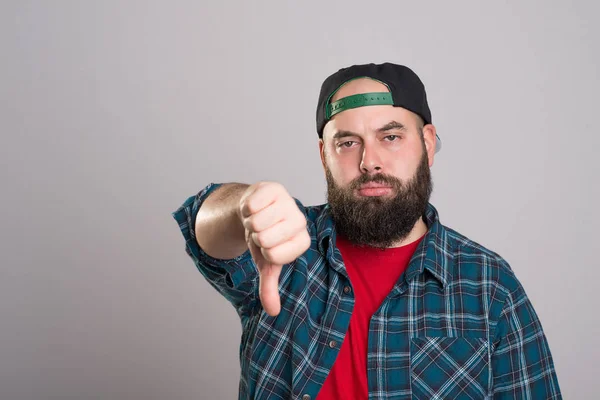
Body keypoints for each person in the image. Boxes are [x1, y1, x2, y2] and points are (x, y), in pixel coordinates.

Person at [171, 63, 562, 399]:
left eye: (390, 137)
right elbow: (200, 224)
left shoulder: (489, 284)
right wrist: (243, 208)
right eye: (346, 143)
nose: (369, 161)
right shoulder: (281, 248)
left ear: (427, 144)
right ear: (324, 156)